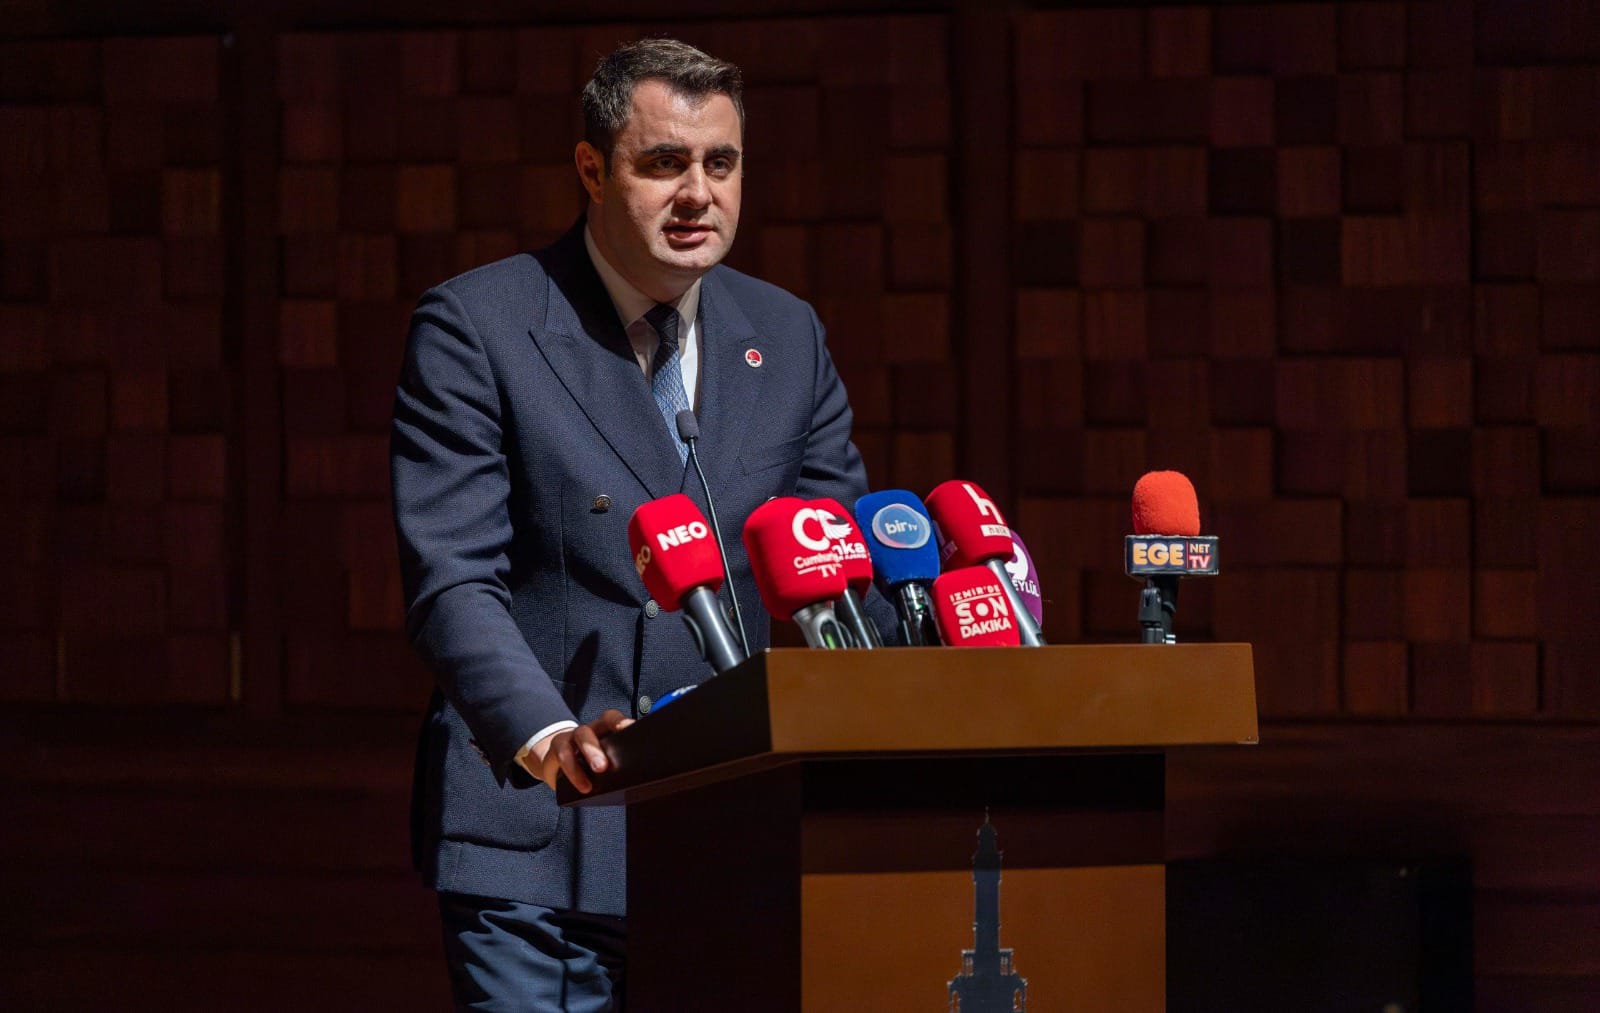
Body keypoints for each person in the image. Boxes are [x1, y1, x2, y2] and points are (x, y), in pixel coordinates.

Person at [391, 38, 887, 1010]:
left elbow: (840, 567)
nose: (698, 193)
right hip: (541, 842)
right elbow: (452, 580)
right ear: (592, 169)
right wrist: (547, 733)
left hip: (730, 835)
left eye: (721, 162)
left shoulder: (786, 334)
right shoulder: (478, 325)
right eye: (664, 163)